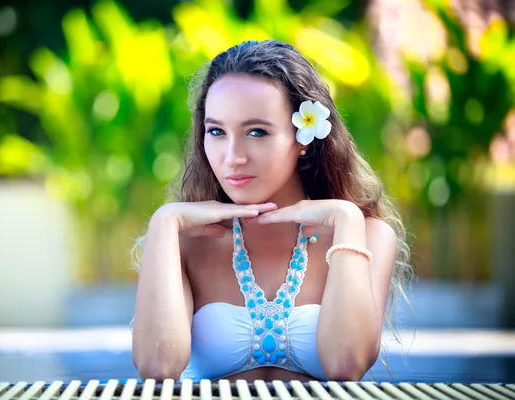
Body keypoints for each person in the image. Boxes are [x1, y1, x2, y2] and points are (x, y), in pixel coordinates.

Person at [131, 40, 412, 382]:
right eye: (216, 131)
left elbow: (346, 365)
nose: (233, 156)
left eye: (256, 132)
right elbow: (157, 369)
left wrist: (346, 220)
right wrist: (164, 222)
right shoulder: (188, 241)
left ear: (304, 137)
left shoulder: (365, 235)